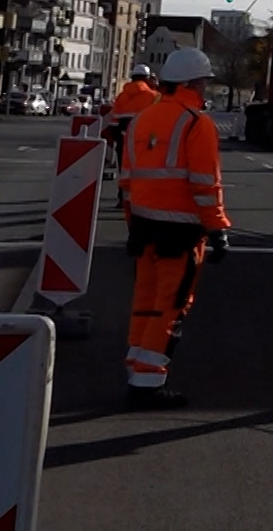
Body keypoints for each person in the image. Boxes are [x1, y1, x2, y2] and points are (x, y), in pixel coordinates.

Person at [120, 48, 229, 408]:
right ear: (191, 83)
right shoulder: (196, 124)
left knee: (145, 302)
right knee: (170, 306)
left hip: (145, 226)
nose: (205, 89)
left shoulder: (142, 120)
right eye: (203, 82)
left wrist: (134, 222)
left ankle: (137, 371)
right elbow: (204, 185)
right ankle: (148, 384)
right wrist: (218, 231)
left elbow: (127, 181)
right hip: (180, 233)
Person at [106, 64, 160, 173]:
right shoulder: (154, 96)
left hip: (123, 140)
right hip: (145, 141)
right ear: (147, 78)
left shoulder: (122, 97)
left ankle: (123, 189)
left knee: (125, 171)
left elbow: (113, 122)